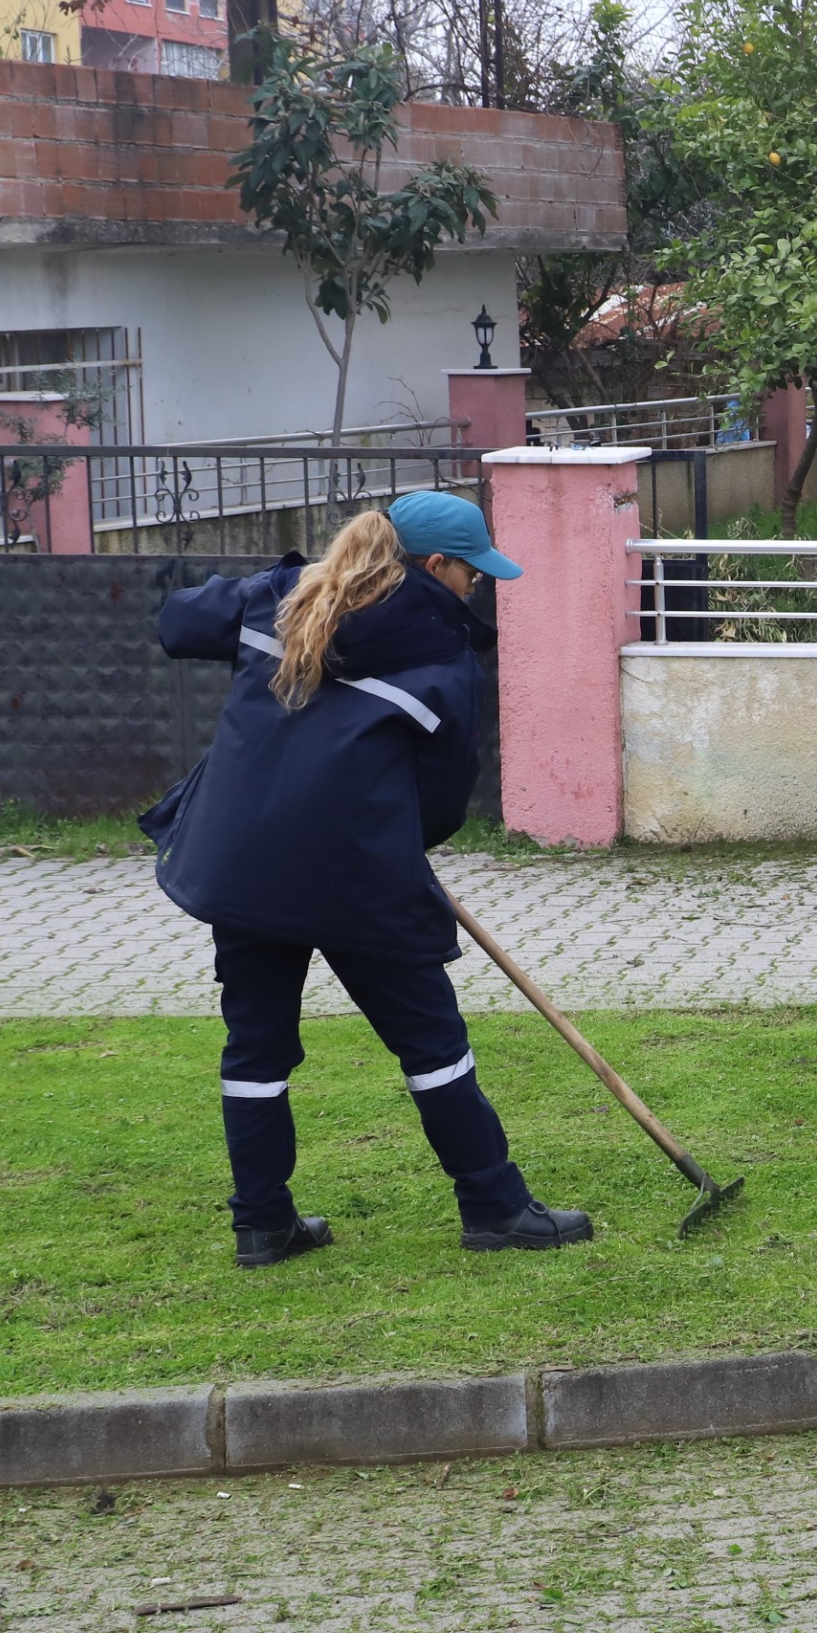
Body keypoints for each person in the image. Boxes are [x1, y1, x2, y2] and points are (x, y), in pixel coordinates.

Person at [141, 493, 592, 1268]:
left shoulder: (279, 599)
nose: (476, 587)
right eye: (472, 573)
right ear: (436, 566)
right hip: (357, 877)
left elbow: (178, 620)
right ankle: (494, 1207)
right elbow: (442, 800)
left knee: (255, 1046)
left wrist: (283, 582)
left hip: (246, 868)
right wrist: (393, 841)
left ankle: (262, 1226)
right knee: (431, 1041)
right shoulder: (443, 659)